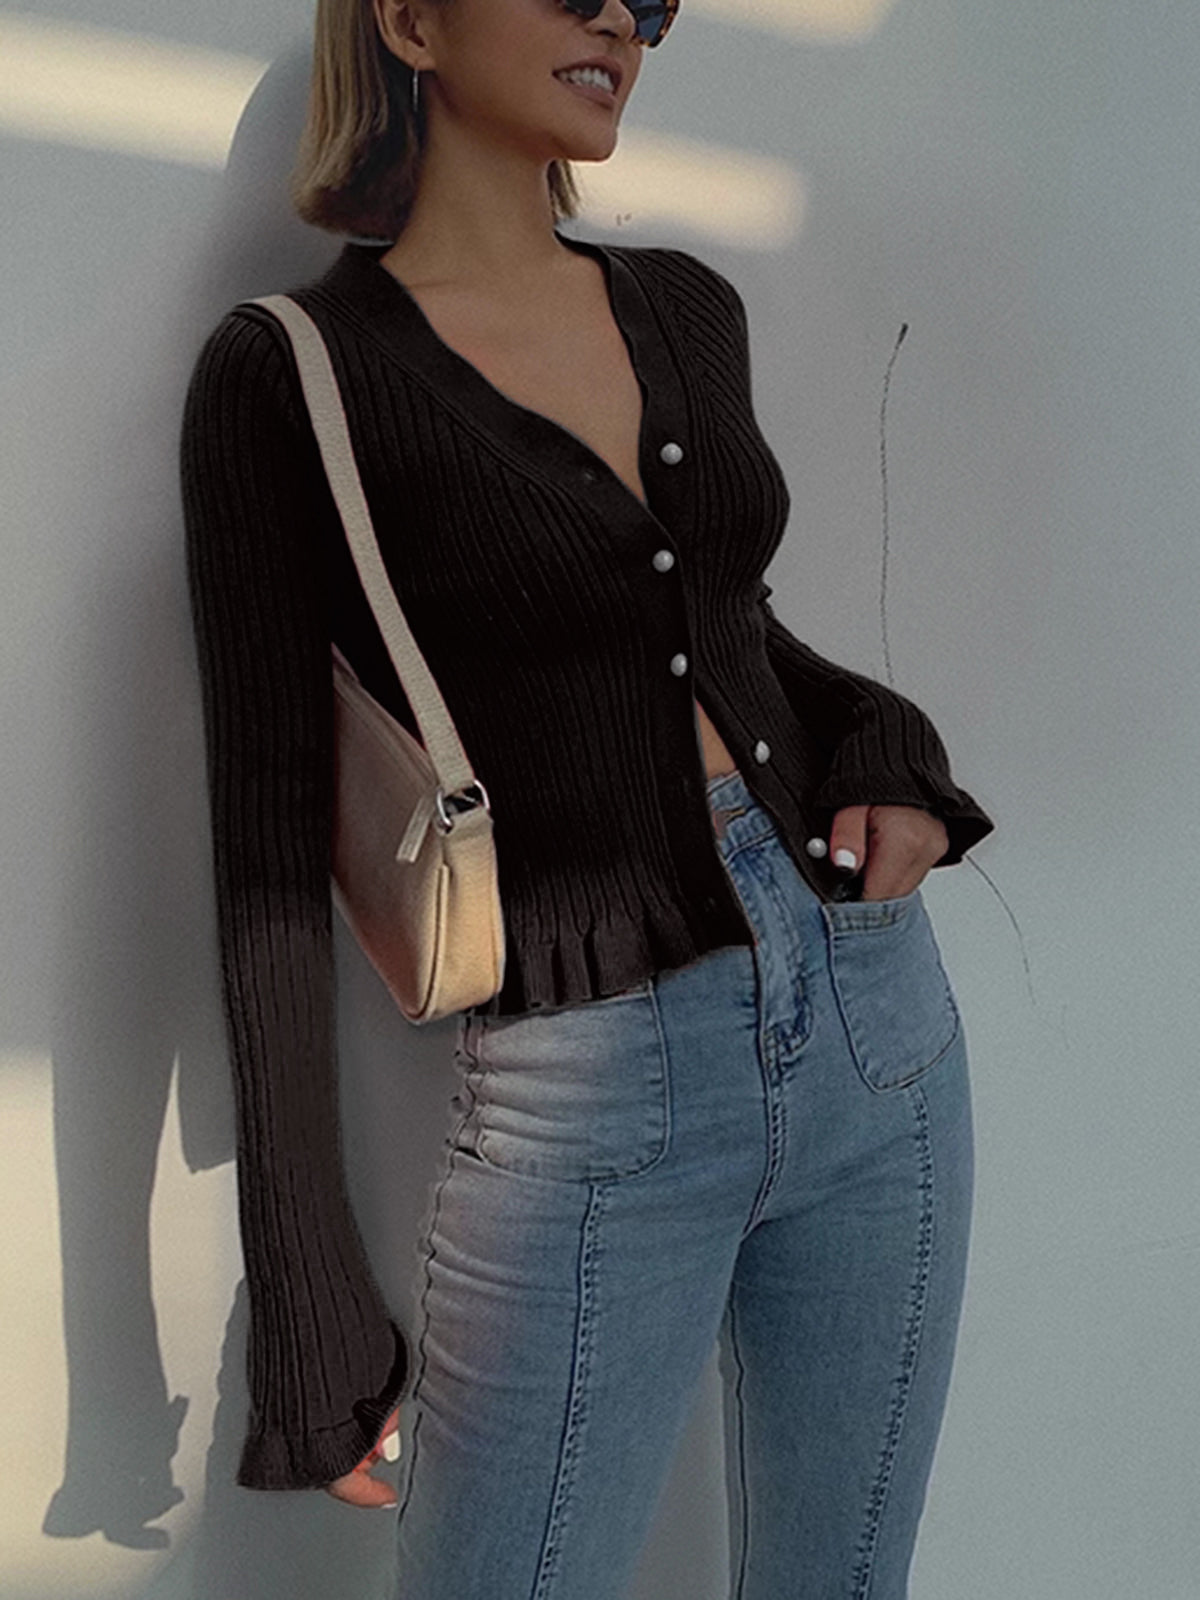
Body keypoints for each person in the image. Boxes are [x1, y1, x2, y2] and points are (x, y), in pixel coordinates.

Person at [180, 0, 994, 1594]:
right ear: (411, 20)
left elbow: (727, 635)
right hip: (595, 1101)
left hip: (876, 1027)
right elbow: (265, 845)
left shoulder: (685, 307)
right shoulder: (294, 374)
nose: (620, 15)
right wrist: (307, 1302)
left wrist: (885, 745)